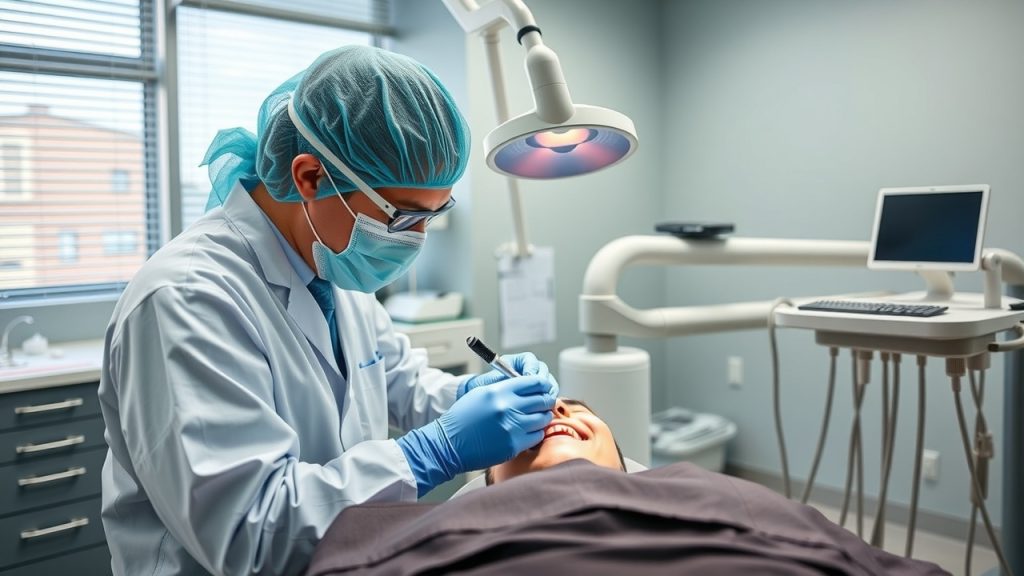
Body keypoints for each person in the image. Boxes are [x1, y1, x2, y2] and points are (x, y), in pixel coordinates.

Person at [97, 45, 558, 576]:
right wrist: (433, 452)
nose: (419, 239)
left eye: (435, 214)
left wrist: (469, 395)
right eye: (402, 217)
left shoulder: (332, 265)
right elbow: (250, 532)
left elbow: (393, 381)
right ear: (310, 177)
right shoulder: (185, 299)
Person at [306, 399, 950, 576]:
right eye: (527, 428)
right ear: (485, 478)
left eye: (576, 414)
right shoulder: (411, 529)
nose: (556, 417)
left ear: (623, 459)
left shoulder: (720, 494)